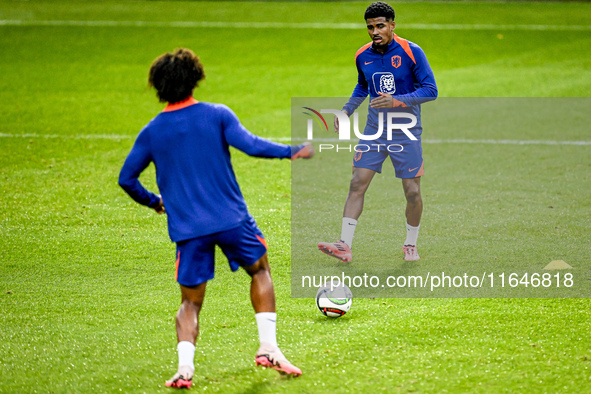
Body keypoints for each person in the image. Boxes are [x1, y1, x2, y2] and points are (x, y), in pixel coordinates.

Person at [118, 48, 313, 388]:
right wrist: (291, 151)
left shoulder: (152, 131)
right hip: (232, 221)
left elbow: (126, 179)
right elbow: (251, 145)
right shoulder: (217, 114)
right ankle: (268, 347)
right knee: (261, 269)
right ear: (195, 79)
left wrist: (154, 202)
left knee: (190, 302)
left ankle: (184, 369)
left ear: (158, 87)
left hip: (189, 231)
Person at [318, 1, 437, 262]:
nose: (375, 31)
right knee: (356, 183)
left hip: (405, 131)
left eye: (380, 26)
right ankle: (344, 245)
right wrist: (347, 110)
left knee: (412, 192)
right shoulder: (363, 55)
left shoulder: (412, 52)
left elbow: (431, 90)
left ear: (392, 25)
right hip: (374, 130)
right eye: (370, 27)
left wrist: (398, 101)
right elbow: (362, 86)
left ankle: (410, 244)